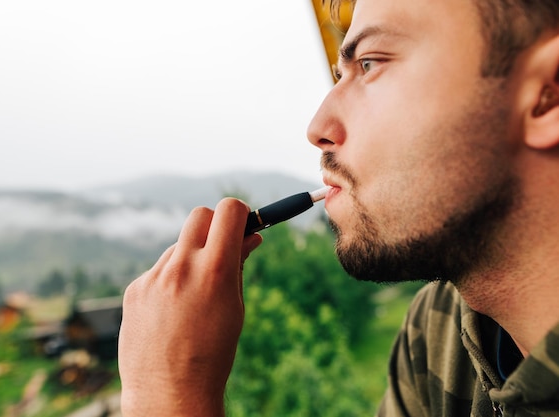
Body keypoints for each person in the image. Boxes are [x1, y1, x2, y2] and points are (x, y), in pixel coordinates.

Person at [118, 0, 559, 415]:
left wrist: (168, 392)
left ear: (547, 95)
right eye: (339, 73)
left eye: (370, 64)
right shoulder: (438, 333)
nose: (318, 128)